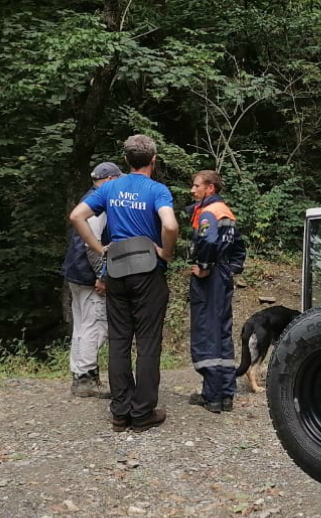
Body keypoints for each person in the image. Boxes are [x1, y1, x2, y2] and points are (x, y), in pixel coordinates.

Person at [69, 135, 179, 433]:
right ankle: (142, 413)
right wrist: (166, 252)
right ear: (153, 161)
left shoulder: (110, 187)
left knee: (119, 342)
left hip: (116, 271)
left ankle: (120, 413)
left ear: (127, 161)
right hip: (148, 273)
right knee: (147, 343)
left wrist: (97, 247)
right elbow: (169, 225)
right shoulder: (158, 190)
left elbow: (77, 216)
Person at [187, 170, 246, 414]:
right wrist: (230, 268)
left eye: (196, 186)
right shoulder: (226, 211)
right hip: (222, 276)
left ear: (210, 188)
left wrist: (203, 267)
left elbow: (208, 242)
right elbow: (240, 246)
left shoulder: (209, 212)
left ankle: (211, 396)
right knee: (222, 332)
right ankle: (226, 395)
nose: (193, 190)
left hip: (210, 279)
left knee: (206, 331)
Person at [61, 161, 121, 398]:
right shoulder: (100, 203)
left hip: (76, 272)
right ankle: (85, 378)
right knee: (95, 325)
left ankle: (80, 374)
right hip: (87, 274)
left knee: (82, 324)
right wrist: (101, 275)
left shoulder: (88, 198)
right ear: (110, 180)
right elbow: (91, 244)